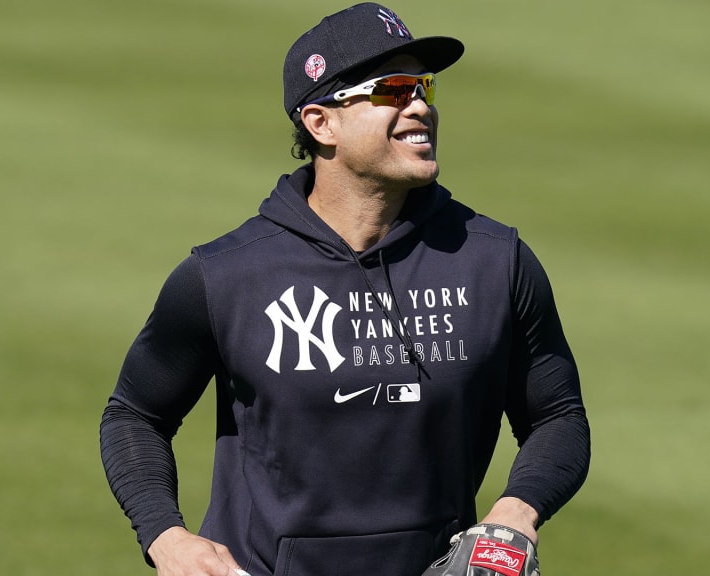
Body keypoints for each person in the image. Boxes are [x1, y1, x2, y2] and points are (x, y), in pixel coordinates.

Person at [99, 4, 591, 576]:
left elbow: (557, 415)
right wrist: (166, 536)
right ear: (320, 123)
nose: (421, 106)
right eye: (392, 90)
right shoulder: (226, 275)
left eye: (424, 87)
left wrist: (515, 512)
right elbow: (135, 416)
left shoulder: (494, 261)